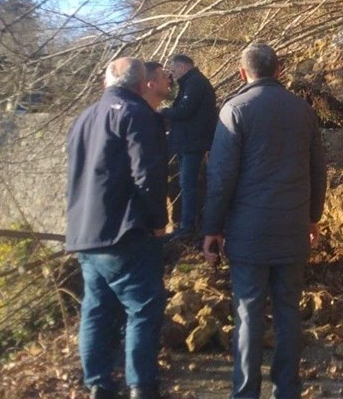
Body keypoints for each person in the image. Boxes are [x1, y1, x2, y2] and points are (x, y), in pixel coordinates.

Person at [203, 42, 327, 399]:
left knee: (248, 311)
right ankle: (287, 390)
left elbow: (221, 176)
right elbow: (318, 170)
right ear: (280, 70)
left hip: (248, 232)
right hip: (291, 230)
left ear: (244, 73)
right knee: (288, 310)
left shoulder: (235, 109)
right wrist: (313, 218)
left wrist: (212, 228)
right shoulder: (303, 111)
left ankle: (245, 392)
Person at [65, 57, 169, 399]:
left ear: (105, 81)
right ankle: (141, 386)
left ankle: (98, 385)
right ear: (141, 85)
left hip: (85, 233)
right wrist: (158, 222)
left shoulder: (83, 119)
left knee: (95, 310)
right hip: (125, 231)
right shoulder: (136, 114)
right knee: (142, 307)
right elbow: (148, 175)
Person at [160, 54, 218, 236]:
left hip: (193, 142)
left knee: (188, 183)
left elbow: (185, 110)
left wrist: (164, 112)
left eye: (174, 70)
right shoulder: (191, 82)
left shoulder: (194, 83)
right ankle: (187, 223)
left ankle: (188, 225)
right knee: (187, 183)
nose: (173, 74)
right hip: (190, 141)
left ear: (184, 67)